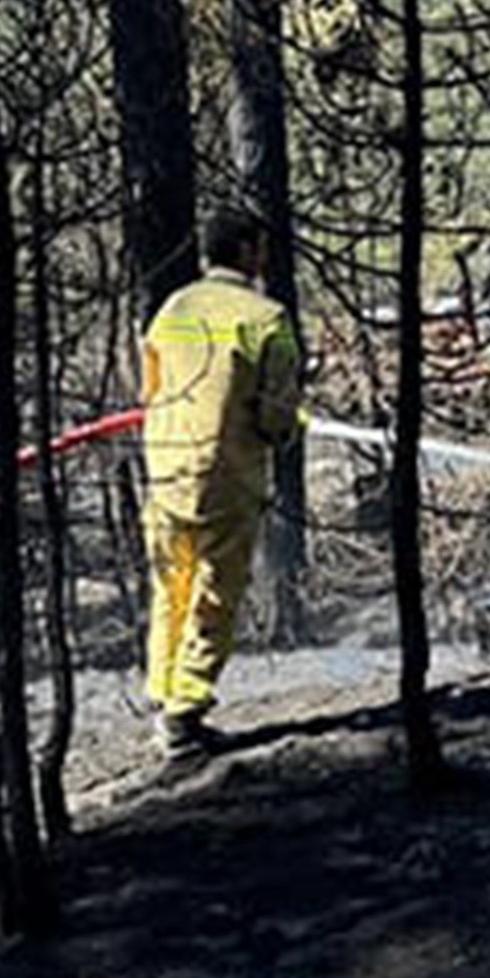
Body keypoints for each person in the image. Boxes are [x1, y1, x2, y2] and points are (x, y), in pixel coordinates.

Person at [141, 210, 305, 759]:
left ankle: (162, 696)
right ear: (247, 251)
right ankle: (184, 715)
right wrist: (289, 426)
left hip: (164, 472)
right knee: (215, 597)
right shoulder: (266, 319)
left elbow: (150, 387)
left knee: (171, 590)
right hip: (225, 478)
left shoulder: (172, 309)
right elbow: (276, 417)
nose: (266, 258)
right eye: (261, 247)